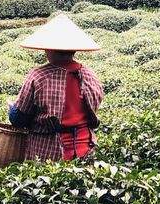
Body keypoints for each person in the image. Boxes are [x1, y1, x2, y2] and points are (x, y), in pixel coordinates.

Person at [8, 15, 103, 162]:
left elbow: (19, 119)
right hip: (86, 148)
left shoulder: (39, 76)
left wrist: (12, 109)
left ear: (49, 49)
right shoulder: (90, 74)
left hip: (48, 152)